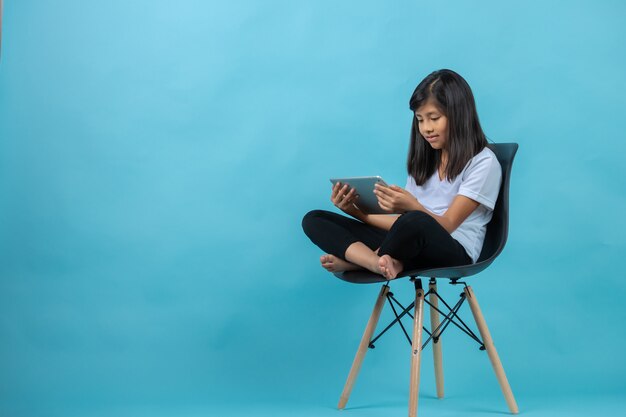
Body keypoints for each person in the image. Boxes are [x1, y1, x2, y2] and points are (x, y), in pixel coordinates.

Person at [301, 69, 502, 280]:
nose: (426, 129)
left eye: (434, 118)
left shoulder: (483, 162)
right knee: (314, 219)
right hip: (410, 240)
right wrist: (357, 212)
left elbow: (448, 224)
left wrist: (413, 207)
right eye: (420, 120)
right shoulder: (426, 160)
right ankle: (374, 262)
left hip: (454, 249)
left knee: (415, 221)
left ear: (459, 115)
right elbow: (401, 226)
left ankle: (358, 262)